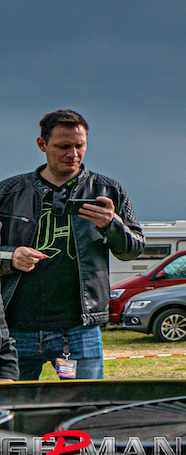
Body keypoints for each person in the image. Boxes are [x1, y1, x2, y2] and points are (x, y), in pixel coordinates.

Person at [0, 110, 144, 380]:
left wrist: (111, 224)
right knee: (10, 406)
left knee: (82, 404)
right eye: (63, 146)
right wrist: (10, 256)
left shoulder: (108, 190)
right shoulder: (8, 192)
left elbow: (133, 250)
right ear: (42, 145)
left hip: (79, 328)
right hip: (13, 329)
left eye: (80, 146)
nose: (73, 154)